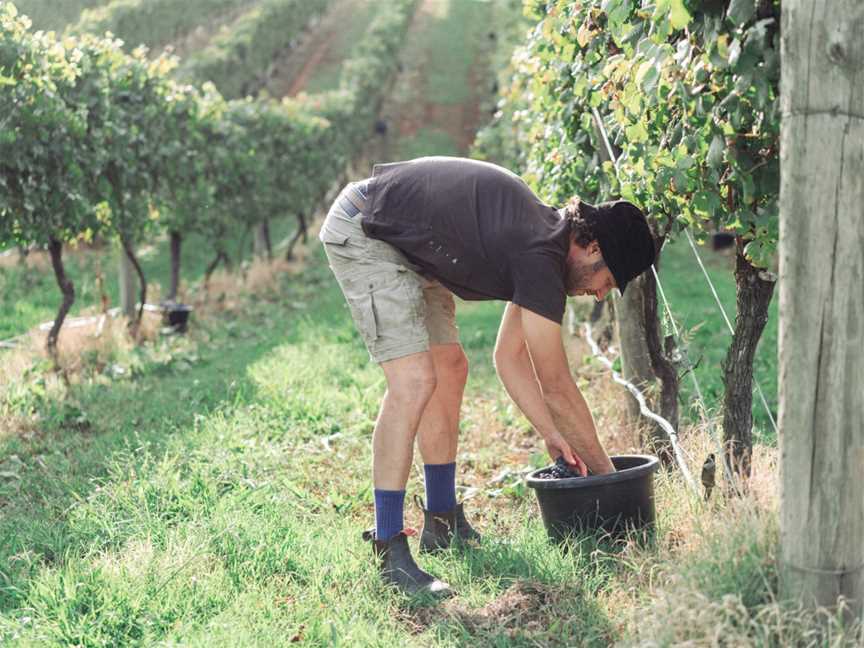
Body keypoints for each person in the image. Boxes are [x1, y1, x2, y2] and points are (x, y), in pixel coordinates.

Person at [319, 156, 656, 596]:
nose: (599, 293)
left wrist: (551, 433)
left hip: (410, 245)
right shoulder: (540, 254)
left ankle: (441, 523)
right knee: (414, 381)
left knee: (451, 367)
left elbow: (508, 358)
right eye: (608, 280)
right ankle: (389, 549)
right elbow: (556, 385)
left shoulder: (545, 247)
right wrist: (607, 479)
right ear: (593, 248)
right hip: (366, 229)